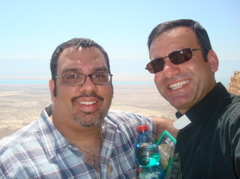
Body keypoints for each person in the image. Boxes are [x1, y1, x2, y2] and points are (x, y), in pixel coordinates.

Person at [0, 38, 177, 178]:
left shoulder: (127, 128)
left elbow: (164, 125)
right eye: (73, 76)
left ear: (112, 86)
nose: (89, 87)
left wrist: (197, 132)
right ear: (53, 89)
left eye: (99, 75)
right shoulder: (11, 164)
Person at [145, 19, 240, 178]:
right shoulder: (189, 121)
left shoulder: (234, 123)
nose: (168, 72)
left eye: (181, 56)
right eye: (157, 64)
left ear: (212, 61)